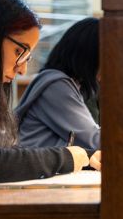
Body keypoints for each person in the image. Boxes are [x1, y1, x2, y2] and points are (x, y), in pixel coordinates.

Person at [0, 0, 100, 186]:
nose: (23, 69)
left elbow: (3, 151)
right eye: (19, 51)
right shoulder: (57, 85)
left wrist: (85, 157)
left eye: (27, 56)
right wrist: (68, 158)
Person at [17, 17, 101, 151]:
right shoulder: (56, 86)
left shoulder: (69, 83)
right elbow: (93, 140)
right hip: (34, 169)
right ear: (90, 57)